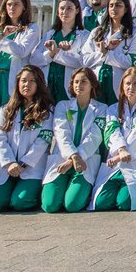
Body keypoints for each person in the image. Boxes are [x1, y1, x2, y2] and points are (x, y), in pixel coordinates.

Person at [0, 65, 54, 213]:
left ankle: (27, 193)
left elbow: (43, 140)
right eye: (23, 81)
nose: (26, 85)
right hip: (7, 167)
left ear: (39, 84)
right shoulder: (6, 109)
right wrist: (9, 163)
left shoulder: (47, 112)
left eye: (31, 81)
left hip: (31, 167)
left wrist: (23, 163)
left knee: (20, 203)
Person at [40, 67, 106, 213]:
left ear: (92, 85)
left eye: (84, 81)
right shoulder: (63, 106)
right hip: (61, 159)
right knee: (49, 206)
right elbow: (61, 133)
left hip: (85, 161)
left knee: (72, 205)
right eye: (76, 82)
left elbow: (95, 137)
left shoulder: (102, 109)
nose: (79, 85)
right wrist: (72, 156)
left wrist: (74, 159)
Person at [92, 67, 136, 212]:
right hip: (115, 164)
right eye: (127, 83)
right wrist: (121, 150)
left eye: (135, 84)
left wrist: (122, 155)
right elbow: (111, 131)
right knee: (101, 202)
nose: (131, 87)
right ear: (122, 86)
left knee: (124, 203)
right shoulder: (113, 109)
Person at [36, 0, 89, 104]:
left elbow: (84, 62)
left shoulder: (85, 36)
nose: (65, 12)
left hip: (69, 88)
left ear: (77, 10)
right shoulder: (49, 35)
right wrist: (50, 53)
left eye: (69, 8)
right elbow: (34, 59)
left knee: (67, 118)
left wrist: (60, 53)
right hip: (47, 86)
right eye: (62, 8)